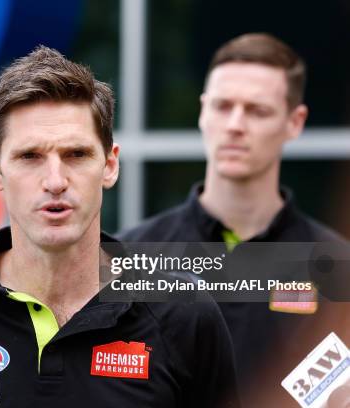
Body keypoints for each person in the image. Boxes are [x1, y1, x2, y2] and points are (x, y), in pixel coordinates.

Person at [0, 46, 239, 408]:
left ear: (110, 165)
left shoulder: (182, 311)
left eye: (76, 155)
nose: (55, 180)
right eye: (30, 156)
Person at [119, 33, 350, 406]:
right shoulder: (130, 256)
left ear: (295, 121)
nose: (235, 125)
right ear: (202, 111)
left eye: (257, 110)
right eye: (223, 106)